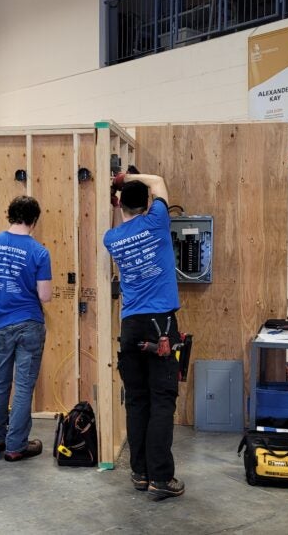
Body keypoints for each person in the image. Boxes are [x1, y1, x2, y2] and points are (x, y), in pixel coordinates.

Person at [103, 172, 184, 501]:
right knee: (162, 402)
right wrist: (125, 176)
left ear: (120, 205)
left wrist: (116, 190)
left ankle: (139, 473)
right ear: (147, 204)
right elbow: (160, 180)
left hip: (131, 327)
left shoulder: (111, 238)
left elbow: (126, 217)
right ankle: (161, 479)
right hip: (161, 325)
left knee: (137, 401)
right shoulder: (158, 220)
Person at [0, 196, 52, 461]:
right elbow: (45, 295)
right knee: (24, 386)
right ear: (34, 220)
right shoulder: (39, 252)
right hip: (29, 324)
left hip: (0, 326)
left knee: (0, 383)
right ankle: (17, 446)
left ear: (10, 215)